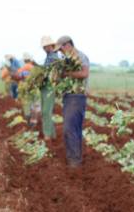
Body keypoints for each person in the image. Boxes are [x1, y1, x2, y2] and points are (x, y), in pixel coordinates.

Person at [56, 35, 90, 168]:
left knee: (70, 129)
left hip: (77, 96)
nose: (60, 52)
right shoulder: (66, 59)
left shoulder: (81, 56)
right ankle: (73, 159)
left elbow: (84, 73)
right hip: (69, 97)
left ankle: (75, 161)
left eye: (61, 49)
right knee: (71, 129)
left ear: (68, 45)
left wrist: (67, 74)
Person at [40, 36, 61, 141]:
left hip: (49, 87)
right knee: (45, 111)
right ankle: (52, 134)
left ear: (51, 45)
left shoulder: (54, 57)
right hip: (44, 87)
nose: (45, 48)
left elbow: (53, 75)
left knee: (46, 111)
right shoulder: (48, 56)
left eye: (46, 46)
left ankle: (47, 135)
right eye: (44, 47)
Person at [16, 52, 40, 127]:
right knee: (35, 104)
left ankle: (28, 120)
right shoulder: (34, 68)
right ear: (30, 59)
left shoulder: (21, 69)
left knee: (27, 104)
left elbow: (19, 78)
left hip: (25, 88)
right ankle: (34, 121)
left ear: (24, 60)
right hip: (34, 88)